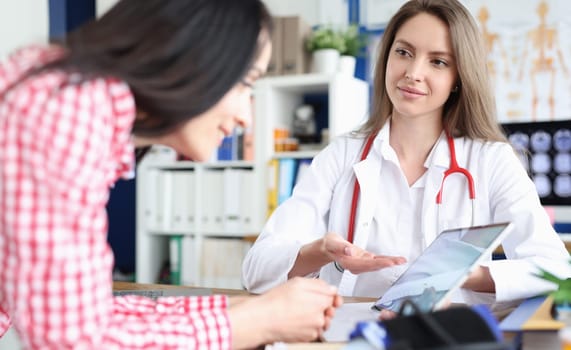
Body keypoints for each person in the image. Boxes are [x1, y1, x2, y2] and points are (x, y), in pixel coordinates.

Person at [0, 0, 343, 348]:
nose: (246, 118)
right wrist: (259, 322)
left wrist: (243, 311)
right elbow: (72, 339)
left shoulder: (67, 93)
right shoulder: (64, 111)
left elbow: (86, 313)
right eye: (245, 84)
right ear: (192, 51)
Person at [243, 0, 569, 311]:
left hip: (446, 335)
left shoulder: (492, 160)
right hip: (353, 335)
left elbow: (554, 268)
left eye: (438, 61)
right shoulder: (341, 156)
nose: (413, 72)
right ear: (387, 57)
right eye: (404, 52)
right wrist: (321, 252)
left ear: (458, 78)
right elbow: (256, 270)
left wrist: (466, 276)